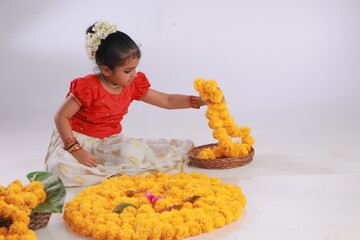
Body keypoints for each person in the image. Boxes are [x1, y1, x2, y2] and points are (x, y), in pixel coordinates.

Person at [44, 20, 207, 187]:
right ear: (106, 70)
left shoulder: (133, 84)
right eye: (128, 71)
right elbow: (61, 116)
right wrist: (76, 150)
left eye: (135, 68)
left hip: (108, 142)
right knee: (59, 170)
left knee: (131, 152)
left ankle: (107, 170)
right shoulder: (89, 87)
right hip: (77, 138)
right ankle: (103, 169)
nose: (134, 74)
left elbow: (166, 100)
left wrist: (200, 101)